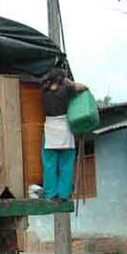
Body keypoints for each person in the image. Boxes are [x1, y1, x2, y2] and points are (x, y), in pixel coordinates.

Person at [40, 67, 87, 201]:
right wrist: (68, 81)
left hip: (50, 128)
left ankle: (50, 194)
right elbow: (83, 87)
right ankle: (64, 195)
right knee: (66, 165)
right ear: (61, 79)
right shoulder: (66, 89)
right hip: (64, 128)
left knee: (49, 165)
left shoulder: (44, 91)